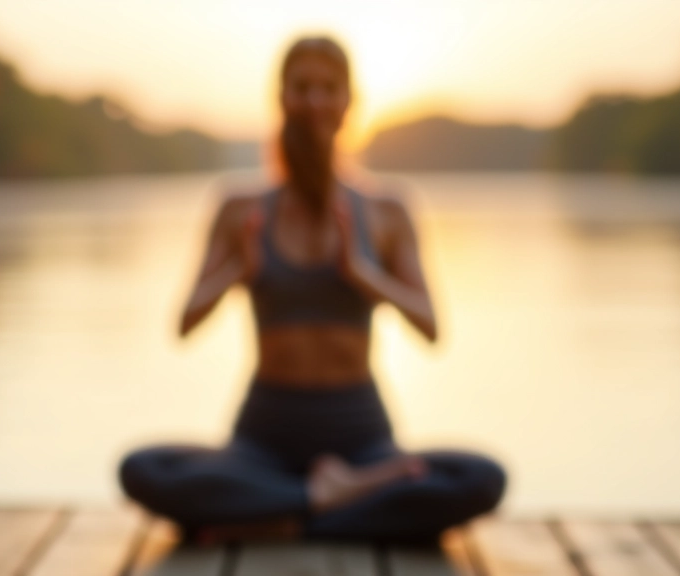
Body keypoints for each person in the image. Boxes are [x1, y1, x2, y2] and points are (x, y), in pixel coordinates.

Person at [118, 36, 505, 545]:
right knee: (143, 469)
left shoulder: (387, 209)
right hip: (262, 439)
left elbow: (430, 326)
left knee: (481, 478)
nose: (316, 101)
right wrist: (238, 270)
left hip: (362, 437)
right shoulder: (240, 208)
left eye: (329, 88)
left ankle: (273, 515)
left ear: (350, 103)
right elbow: (185, 321)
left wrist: (367, 275)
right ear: (280, 98)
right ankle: (332, 502)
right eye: (302, 88)